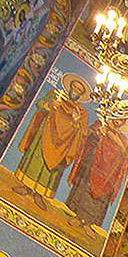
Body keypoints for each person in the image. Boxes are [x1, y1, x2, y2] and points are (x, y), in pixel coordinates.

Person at [14, 75, 90, 209]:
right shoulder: (55, 95)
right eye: (74, 87)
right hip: (45, 133)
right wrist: (50, 105)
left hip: (64, 145)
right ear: (70, 87)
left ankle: (40, 195)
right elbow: (40, 103)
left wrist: (76, 121)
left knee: (52, 169)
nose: (75, 91)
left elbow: (84, 132)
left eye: (79, 90)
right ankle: (26, 187)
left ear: (81, 95)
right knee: (36, 159)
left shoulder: (82, 112)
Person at [65, 117, 128, 234]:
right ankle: (78, 218)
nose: (118, 121)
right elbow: (88, 135)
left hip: (108, 174)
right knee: (85, 190)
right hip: (93, 164)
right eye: (118, 118)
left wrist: (115, 140)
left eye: (122, 120)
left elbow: (126, 155)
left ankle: (89, 224)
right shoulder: (101, 125)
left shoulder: (123, 140)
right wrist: (98, 133)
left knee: (100, 199)